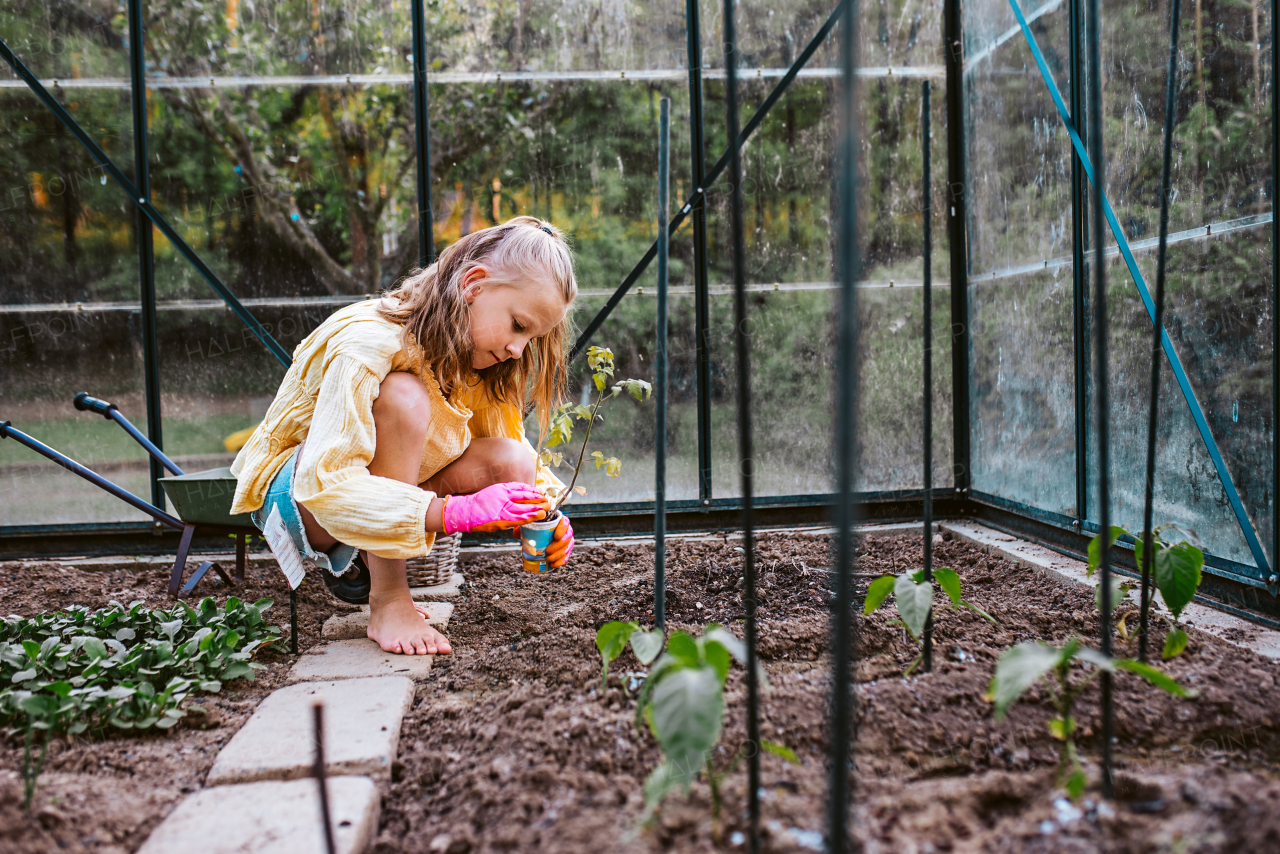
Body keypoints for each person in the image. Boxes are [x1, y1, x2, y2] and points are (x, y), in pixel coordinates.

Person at [229, 216, 577, 656]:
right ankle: (388, 598)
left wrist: (541, 510)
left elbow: (509, 452)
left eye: (531, 338)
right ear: (474, 285)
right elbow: (326, 485)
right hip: (303, 501)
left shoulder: (481, 356)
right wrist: (453, 512)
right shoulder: (368, 342)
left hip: (364, 495)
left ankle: (366, 559)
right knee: (403, 398)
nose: (517, 349)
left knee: (512, 463)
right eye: (518, 326)